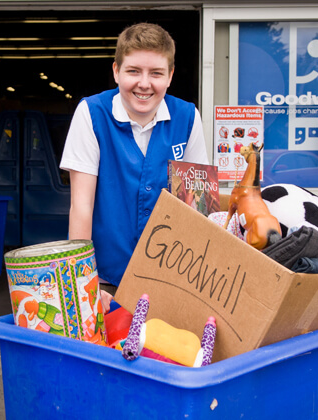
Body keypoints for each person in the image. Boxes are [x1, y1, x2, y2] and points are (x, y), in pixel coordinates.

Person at [60, 22, 209, 312]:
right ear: (116, 71)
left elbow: (196, 206)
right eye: (133, 71)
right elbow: (81, 207)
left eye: (156, 73)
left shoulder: (188, 117)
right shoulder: (92, 113)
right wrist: (84, 284)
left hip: (168, 280)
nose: (144, 83)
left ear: (170, 76)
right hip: (104, 280)